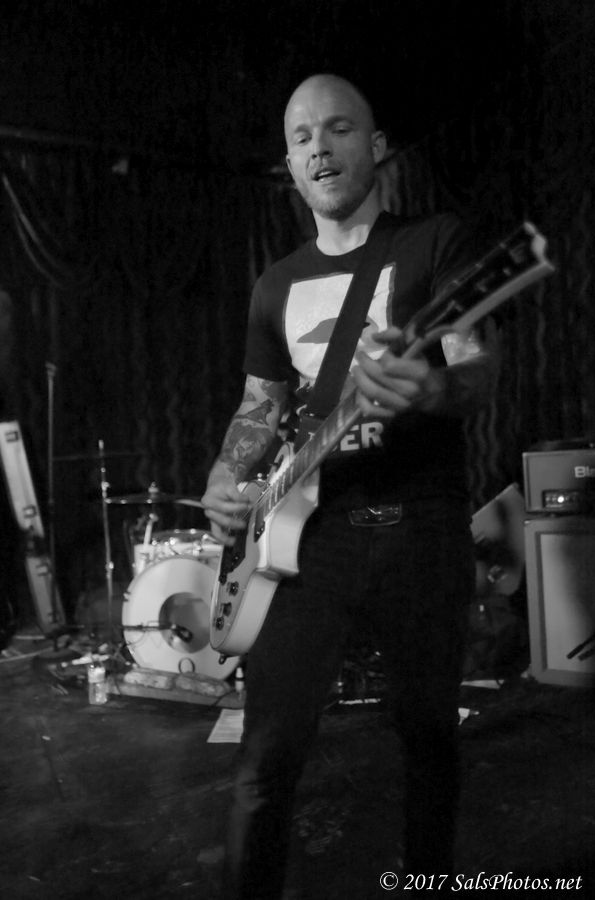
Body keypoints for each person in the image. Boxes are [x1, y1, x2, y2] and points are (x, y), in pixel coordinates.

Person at [201, 73, 498, 899]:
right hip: (309, 536)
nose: (319, 149)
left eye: (338, 129)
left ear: (377, 146)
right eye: (301, 138)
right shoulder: (275, 285)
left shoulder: (435, 242)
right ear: (290, 167)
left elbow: (476, 365)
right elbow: (261, 405)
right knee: (266, 755)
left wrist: (435, 389)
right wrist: (228, 474)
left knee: (428, 739)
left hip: (420, 521)